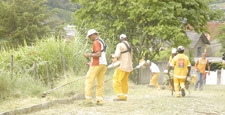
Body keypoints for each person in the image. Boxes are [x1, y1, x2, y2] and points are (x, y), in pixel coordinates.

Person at [83, 29, 107, 105]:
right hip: (103, 64)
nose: (90, 39)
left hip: (97, 64)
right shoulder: (101, 41)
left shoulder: (96, 42)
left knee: (89, 81)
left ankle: (88, 100)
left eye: (90, 37)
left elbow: (98, 54)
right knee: (100, 83)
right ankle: (99, 100)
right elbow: (101, 55)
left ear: (93, 35)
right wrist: (90, 63)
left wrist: (88, 55)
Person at [111, 34, 133, 101]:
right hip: (129, 67)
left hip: (122, 66)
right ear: (126, 38)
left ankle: (120, 96)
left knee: (116, 80)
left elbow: (117, 55)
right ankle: (124, 96)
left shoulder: (120, 45)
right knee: (124, 81)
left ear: (121, 39)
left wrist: (112, 55)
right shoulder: (130, 46)